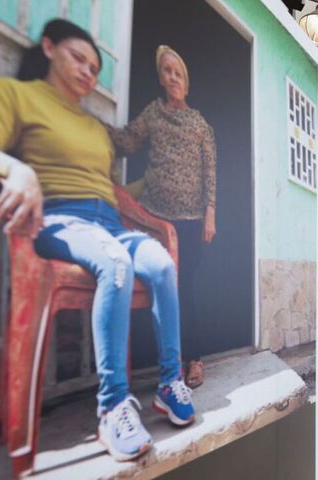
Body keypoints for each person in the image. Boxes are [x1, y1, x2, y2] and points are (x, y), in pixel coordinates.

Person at [0, 19, 195, 462]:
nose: (88, 70)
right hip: (60, 219)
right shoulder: (16, 95)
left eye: (94, 66)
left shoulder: (93, 127)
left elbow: (114, 190)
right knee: (117, 263)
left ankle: (168, 382)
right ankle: (113, 406)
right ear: (48, 47)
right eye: (78, 58)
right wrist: (15, 169)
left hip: (110, 222)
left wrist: (167, 188)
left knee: (160, 263)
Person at [107, 45, 216, 389]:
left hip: (190, 219)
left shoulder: (199, 123)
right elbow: (124, 142)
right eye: (167, 71)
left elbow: (209, 172)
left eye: (178, 72)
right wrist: (88, 126)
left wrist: (210, 215)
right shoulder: (153, 114)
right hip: (153, 219)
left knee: (185, 290)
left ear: (187, 81)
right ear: (160, 78)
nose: (173, 77)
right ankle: (164, 366)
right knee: (154, 288)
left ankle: (193, 359)